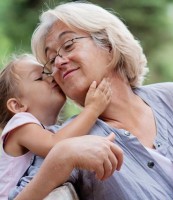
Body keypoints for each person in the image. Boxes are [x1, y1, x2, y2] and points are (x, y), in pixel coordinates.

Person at [12, 1, 173, 200]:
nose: (58, 63)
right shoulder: (65, 141)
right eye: (51, 61)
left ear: (108, 44)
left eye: (68, 45)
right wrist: (62, 155)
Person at [0, 53, 123, 199]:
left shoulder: (46, 130)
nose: (51, 77)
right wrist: (93, 109)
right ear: (17, 105)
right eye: (40, 78)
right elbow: (55, 146)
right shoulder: (20, 124)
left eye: (48, 73)